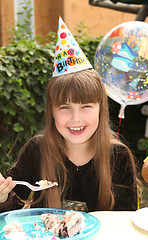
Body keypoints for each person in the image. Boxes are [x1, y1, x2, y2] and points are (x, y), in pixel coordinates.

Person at [0, 17, 138, 213]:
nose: (76, 118)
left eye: (86, 106)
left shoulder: (118, 157)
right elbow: (12, 212)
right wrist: (3, 197)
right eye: (64, 107)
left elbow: (126, 220)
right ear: (52, 111)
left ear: (101, 107)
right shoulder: (36, 150)